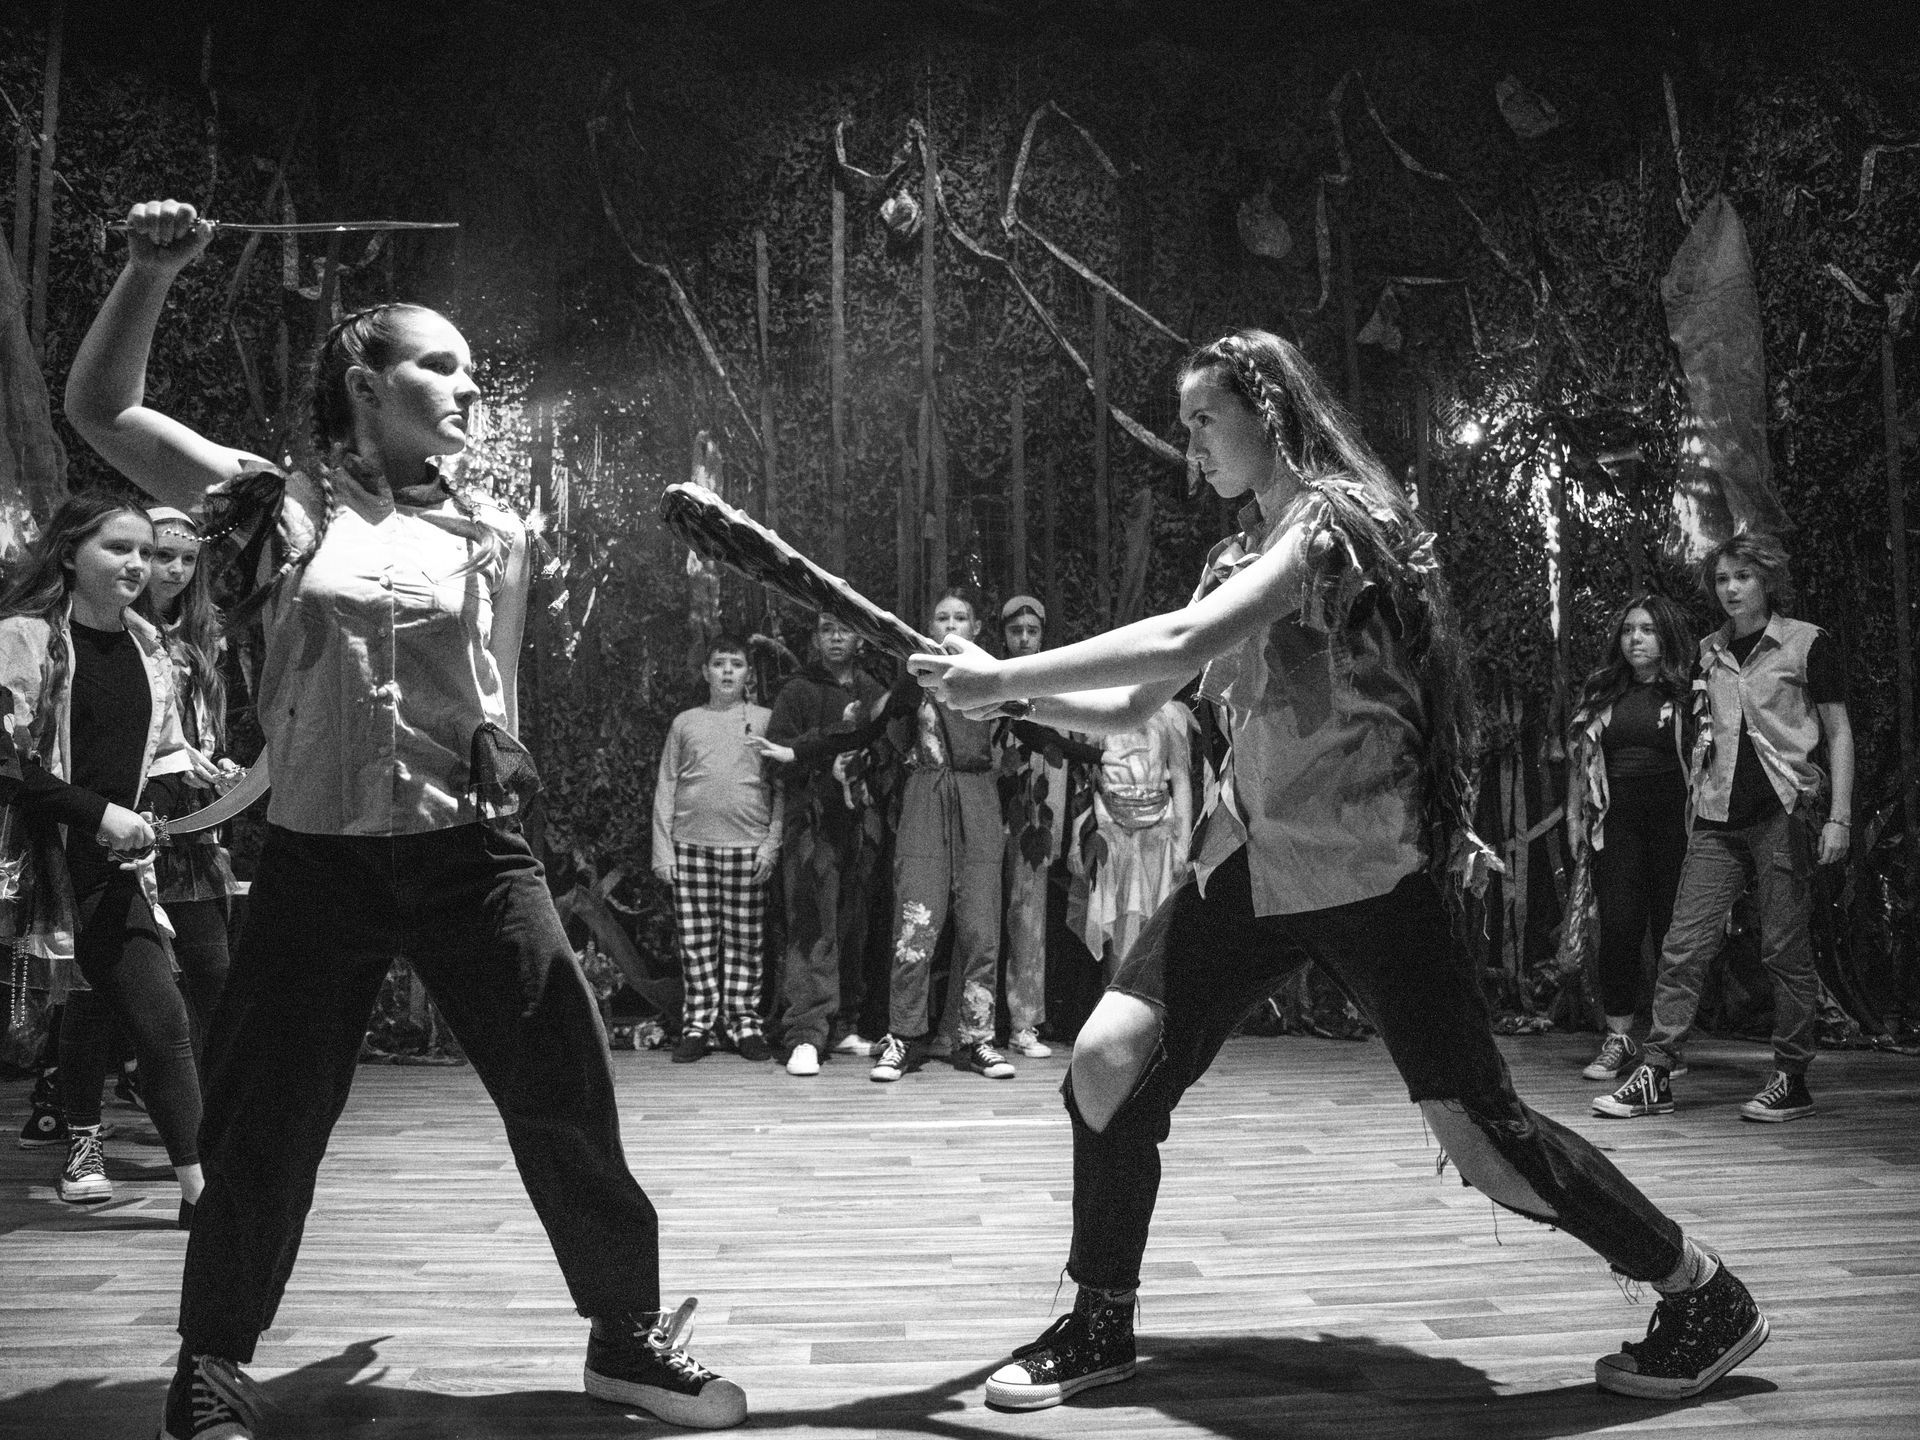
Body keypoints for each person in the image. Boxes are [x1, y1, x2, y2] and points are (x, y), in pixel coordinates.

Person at [911, 329, 1768, 1409]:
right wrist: (1003, 695)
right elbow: (1137, 699)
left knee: (1484, 1143)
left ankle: (1699, 1291)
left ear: (1267, 410)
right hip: (1250, 862)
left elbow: (1182, 638)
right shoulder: (1235, 552)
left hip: (1369, 875)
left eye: (1203, 419)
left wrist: (1002, 677)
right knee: (1106, 1060)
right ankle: (1098, 1320)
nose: (1190, 447)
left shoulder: (1333, 525)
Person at [66, 199, 746, 1438]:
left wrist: (503, 744)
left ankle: (625, 1337)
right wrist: (150, 273)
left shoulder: (494, 531)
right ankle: (211, 1364)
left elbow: (497, 694)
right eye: (441, 365)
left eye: (472, 369)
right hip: (320, 857)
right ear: (365, 385)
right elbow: (101, 411)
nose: (468, 386)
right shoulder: (268, 503)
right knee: (265, 1120)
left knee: (564, 1088)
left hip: (469, 856)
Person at [0, 493, 216, 1220]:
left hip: (109, 869)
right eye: (119, 548)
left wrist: (181, 784)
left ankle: (202, 1197)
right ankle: (80, 1138)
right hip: (31, 864)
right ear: (69, 553)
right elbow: (6, 763)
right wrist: (99, 813)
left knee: (163, 1022)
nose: (139, 564)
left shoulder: (149, 646)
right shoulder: (24, 638)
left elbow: (159, 748)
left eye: (146, 552)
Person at [1595, 532, 1851, 1124]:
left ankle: (1791, 1074)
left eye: (1743, 577)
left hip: (1782, 810)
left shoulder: (1806, 643)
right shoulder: (1708, 652)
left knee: (1783, 947)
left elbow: (1838, 732)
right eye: (1721, 579)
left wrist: (1839, 817)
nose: (1731, 589)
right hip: (1716, 817)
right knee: (1683, 946)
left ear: (1767, 581)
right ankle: (1656, 1070)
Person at [869, 590, 1017, 1083]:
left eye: (961, 617)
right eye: (942, 617)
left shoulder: (994, 677)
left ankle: (976, 1039)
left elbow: (1037, 732)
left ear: (975, 628)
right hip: (925, 797)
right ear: (929, 626)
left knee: (981, 926)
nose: (951, 624)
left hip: (979, 799)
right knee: (916, 920)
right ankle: (904, 1037)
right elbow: (881, 733)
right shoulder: (913, 680)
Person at [747, 611, 885, 1077]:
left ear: (860, 638)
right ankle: (805, 1034)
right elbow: (775, 760)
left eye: (844, 628)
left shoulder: (871, 690)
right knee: (811, 926)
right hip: (812, 827)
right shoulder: (798, 690)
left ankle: (843, 1025)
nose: (836, 637)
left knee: (853, 925)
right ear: (816, 637)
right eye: (827, 629)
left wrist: (867, 765)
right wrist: (825, 762)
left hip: (860, 825)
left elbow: (891, 751)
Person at [1564, 594, 1694, 1082]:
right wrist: (1573, 818)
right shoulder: (1604, 691)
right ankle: (1618, 1038)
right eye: (1627, 630)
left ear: (1666, 637)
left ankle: (1666, 1046)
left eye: (1647, 630)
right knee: (1618, 927)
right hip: (1617, 823)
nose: (1635, 639)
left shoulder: (1689, 692)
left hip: (1674, 823)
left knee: (1671, 933)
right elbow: (1581, 758)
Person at [137, 505, 242, 1073]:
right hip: (135, 813)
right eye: (162, 555)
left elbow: (206, 726)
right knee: (107, 987)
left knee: (214, 973)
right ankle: (66, 1098)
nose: (175, 570)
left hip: (194, 826)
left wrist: (219, 759)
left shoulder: (202, 634)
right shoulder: (116, 629)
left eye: (187, 559)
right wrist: (175, 760)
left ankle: (213, 1100)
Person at [652, 634, 783, 1064]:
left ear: (748, 674)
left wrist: (771, 844)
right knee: (697, 941)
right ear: (706, 672)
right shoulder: (685, 723)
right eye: (719, 663)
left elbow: (781, 787)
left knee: (746, 940)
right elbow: (667, 785)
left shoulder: (766, 720)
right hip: (690, 846)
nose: (727, 671)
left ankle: (744, 1023)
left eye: (737, 663)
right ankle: (699, 1025)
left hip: (747, 846)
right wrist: (663, 851)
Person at [1070, 698, 1194, 986]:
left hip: (1157, 837)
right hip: (1112, 834)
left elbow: (1180, 778)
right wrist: (1078, 837)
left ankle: (1147, 1002)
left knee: (1154, 931)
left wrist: (1183, 844)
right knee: (1118, 930)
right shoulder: (1101, 707)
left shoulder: (1170, 713)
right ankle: (1116, 999)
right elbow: (1085, 781)